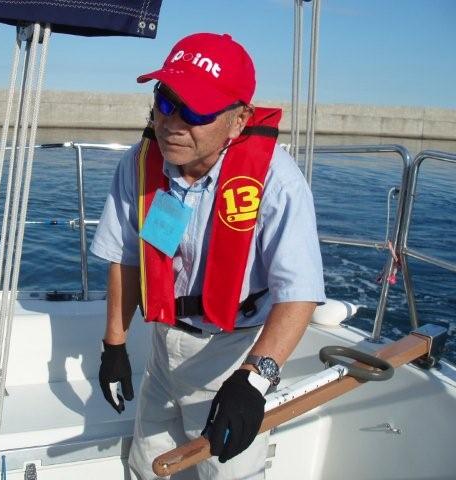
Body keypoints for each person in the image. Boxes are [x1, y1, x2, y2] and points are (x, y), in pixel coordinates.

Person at [91, 32, 325, 480]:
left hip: (231, 352)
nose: (172, 123)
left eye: (196, 110)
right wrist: (114, 346)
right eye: (165, 101)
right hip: (162, 349)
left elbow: (299, 293)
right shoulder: (139, 165)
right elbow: (126, 256)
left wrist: (254, 378)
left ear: (239, 121)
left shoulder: (277, 182)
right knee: (148, 467)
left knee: (229, 472)